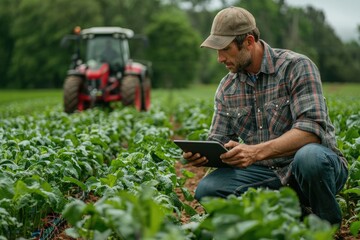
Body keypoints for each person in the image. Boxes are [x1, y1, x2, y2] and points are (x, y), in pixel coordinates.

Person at [182, 6, 348, 226]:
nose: (219, 58)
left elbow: (312, 131)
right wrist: (202, 155)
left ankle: (326, 226)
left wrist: (255, 152)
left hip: (311, 170)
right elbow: (218, 139)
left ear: (249, 42)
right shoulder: (227, 88)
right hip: (266, 174)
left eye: (225, 49)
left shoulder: (296, 67)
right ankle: (295, 215)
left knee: (309, 158)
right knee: (208, 189)